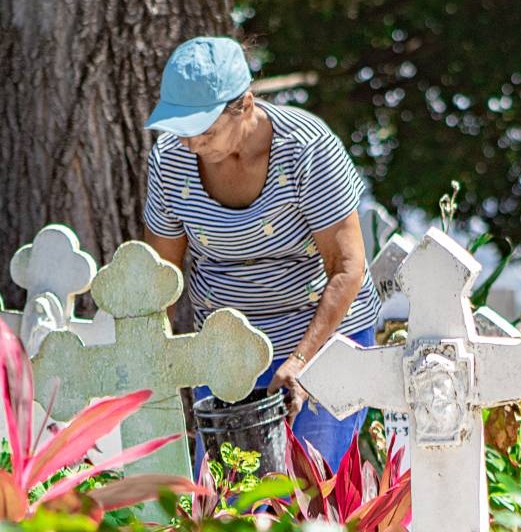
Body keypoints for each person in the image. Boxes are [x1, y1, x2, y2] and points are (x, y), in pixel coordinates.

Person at [141, 37, 382, 473]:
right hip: (227, 345)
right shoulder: (170, 161)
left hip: (321, 337)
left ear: (246, 104)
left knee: (308, 496)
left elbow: (347, 268)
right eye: (183, 128)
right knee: (229, 501)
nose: (193, 143)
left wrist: (301, 361)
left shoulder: (306, 148)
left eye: (207, 130)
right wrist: (162, 361)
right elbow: (161, 276)